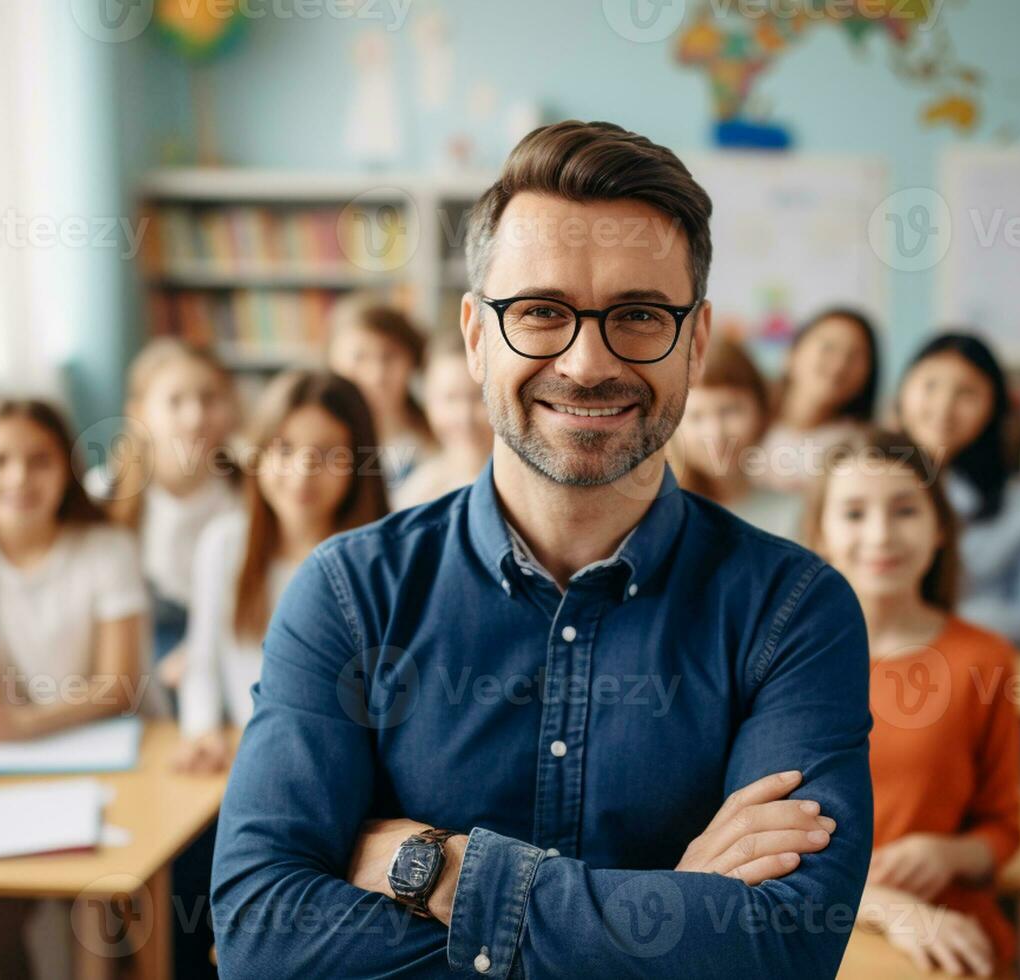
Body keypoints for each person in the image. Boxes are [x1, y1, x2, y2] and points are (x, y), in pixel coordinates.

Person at [213, 120, 873, 979]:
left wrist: (440, 872)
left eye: (639, 315)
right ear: (476, 334)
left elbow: (785, 947)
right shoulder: (349, 592)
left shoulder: (795, 611)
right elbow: (261, 937)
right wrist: (672, 912)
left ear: (698, 341)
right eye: (540, 312)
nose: (588, 360)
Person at [0, 397, 149, 980]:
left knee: (99, 908)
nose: (18, 478)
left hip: (120, 760)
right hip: (13, 767)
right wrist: (13, 725)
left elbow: (117, 687)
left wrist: (25, 724)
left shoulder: (107, 549)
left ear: (66, 470)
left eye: (39, 460)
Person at [807, 429, 1020, 977]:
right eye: (854, 513)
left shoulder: (984, 658)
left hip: (943, 929)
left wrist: (948, 854)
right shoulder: (782, 660)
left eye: (905, 510)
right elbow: (746, 843)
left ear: (941, 528)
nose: (881, 535)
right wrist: (882, 904)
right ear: (821, 535)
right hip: (808, 922)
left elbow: (1003, 829)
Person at [173, 370, 390, 769]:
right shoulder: (224, 544)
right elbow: (202, 667)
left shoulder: (384, 562)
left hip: (344, 768)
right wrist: (203, 731)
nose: (303, 471)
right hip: (249, 758)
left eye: (328, 453)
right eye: (284, 449)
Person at [898, 332, 1020, 649]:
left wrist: (927, 618)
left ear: (992, 408)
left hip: (968, 662)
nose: (944, 406)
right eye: (930, 385)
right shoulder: (855, 478)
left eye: (967, 393)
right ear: (903, 390)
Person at [91, 338, 241, 674]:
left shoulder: (250, 494)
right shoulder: (103, 496)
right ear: (139, 414)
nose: (195, 417)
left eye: (209, 398)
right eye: (175, 401)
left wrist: (200, 655)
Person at [669, 335, 804, 539]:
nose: (715, 433)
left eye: (730, 411)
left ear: (762, 411)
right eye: (696, 417)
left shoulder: (794, 513)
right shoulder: (653, 517)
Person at [758, 308, 879, 493]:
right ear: (792, 354)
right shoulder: (743, 419)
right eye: (829, 347)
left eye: (855, 356)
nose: (840, 364)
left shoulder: (863, 446)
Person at [327, 297, 436, 487]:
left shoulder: (440, 438)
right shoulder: (322, 443)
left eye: (389, 356)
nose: (377, 375)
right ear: (333, 360)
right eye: (359, 357)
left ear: (412, 359)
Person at [392, 330, 495, 509]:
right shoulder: (415, 493)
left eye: (480, 396)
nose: (465, 417)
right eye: (450, 398)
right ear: (428, 402)